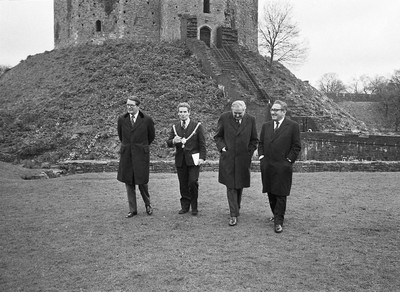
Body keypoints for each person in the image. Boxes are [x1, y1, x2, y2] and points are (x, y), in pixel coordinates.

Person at [258, 100, 301, 233]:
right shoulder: (266, 126)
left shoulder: (293, 126)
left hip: (283, 166)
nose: (273, 112)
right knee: (270, 191)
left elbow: (296, 146)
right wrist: (262, 158)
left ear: (284, 111)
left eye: (276, 110)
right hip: (268, 165)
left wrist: (288, 161)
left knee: (281, 193)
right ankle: (275, 214)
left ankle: (278, 221)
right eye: (272, 110)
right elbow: (261, 143)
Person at [214, 100, 258, 226]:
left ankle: (236, 207)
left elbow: (254, 139)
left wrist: (249, 152)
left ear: (245, 110)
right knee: (231, 186)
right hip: (228, 159)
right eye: (235, 113)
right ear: (232, 110)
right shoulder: (224, 118)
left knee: (239, 184)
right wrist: (223, 149)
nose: (237, 116)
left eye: (240, 113)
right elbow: (218, 136)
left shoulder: (251, 119)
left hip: (243, 159)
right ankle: (233, 214)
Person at [117, 96, 155, 218]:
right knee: (129, 182)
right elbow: (121, 136)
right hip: (127, 155)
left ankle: (148, 204)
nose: (129, 107)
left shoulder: (147, 119)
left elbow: (151, 136)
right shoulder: (122, 119)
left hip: (141, 155)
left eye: (131, 105)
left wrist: (141, 147)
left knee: (142, 182)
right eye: (127, 105)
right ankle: (132, 209)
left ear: (138, 106)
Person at [167, 102, 207, 215]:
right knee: (183, 184)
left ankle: (194, 207)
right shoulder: (175, 127)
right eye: (180, 112)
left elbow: (202, 143)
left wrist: (202, 158)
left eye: (185, 112)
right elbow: (169, 142)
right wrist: (174, 141)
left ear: (189, 113)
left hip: (194, 159)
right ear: (178, 113)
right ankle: (185, 206)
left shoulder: (197, 126)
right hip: (180, 160)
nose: (183, 114)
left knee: (193, 182)